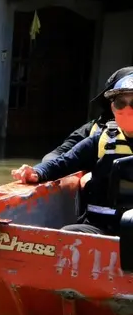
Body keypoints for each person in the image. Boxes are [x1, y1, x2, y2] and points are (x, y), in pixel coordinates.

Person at [12, 73, 133, 235]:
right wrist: (37, 172)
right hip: (100, 227)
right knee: (68, 234)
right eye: (120, 103)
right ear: (113, 108)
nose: (127, 109)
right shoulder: (100, 140)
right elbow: (64, 162)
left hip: (130, 227)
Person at [43, 66, 133, 163]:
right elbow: (56, 158)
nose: (127, 109)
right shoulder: (96, 131)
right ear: (111, 104)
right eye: (120, 102)